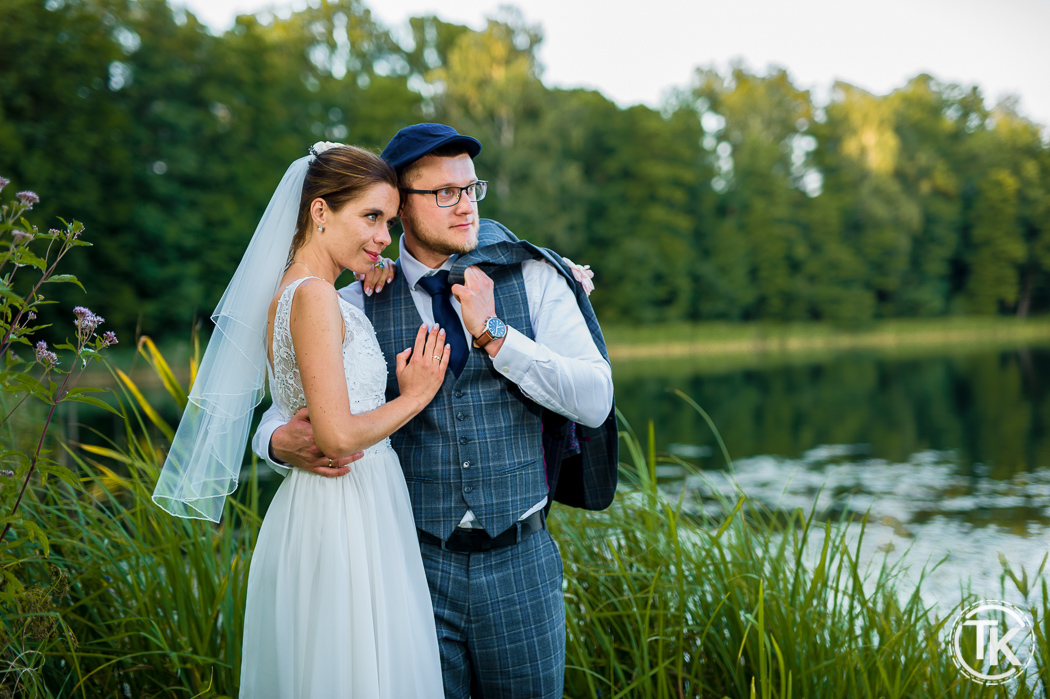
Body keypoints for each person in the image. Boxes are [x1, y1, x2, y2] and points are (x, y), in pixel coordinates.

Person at [254, 123, 618, 698]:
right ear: (401, 203)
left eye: (471, 189)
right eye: (443, 193)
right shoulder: (350, 297)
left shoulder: (534, 275)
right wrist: (274, 444)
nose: (464, 205)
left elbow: (597, 400)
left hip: (520, 562)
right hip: (406, 565)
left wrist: (498, 336)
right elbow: (290, 408)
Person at [152, 143, 446, 697]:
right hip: (344, 507)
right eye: (371, 218)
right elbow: (334, 436)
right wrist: (415, 395)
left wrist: (367, 275)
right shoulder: (315, 297)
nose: (385, 236)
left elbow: (295, 411)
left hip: (334, 503)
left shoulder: (295, 292)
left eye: (388, 221)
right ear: (319, 212)